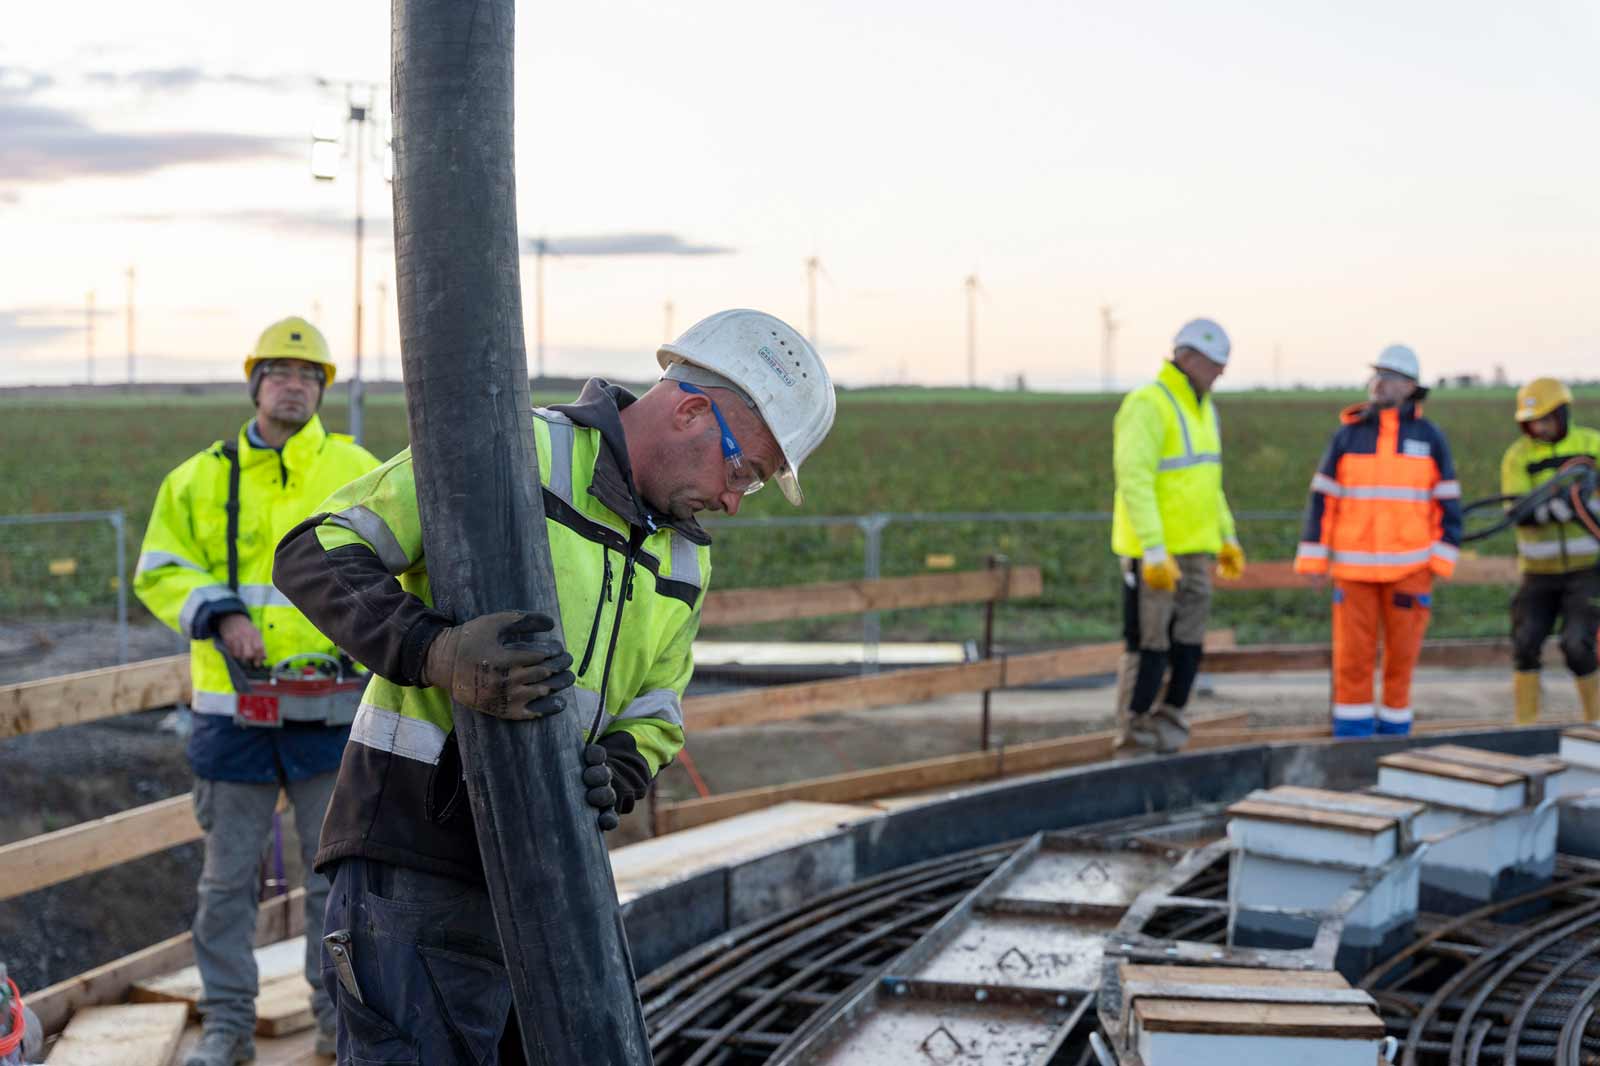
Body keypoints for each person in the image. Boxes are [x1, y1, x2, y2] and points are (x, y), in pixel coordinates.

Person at [272, 309, 836, 1065]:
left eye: (754, 487)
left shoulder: (684, 561)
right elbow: (317, 551)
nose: (735, 501)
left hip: (551, 869)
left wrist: (627, 760)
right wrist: (434, 652)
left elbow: (659, 704)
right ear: (693, 410)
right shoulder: (514, 453)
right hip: (414, 855)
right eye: (743, 472)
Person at [134, 317, 379, 1065]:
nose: (294, 385)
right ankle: (230, 1031)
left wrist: (364, 625)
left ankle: (339, 1031)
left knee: (336, 889)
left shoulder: (356, 467)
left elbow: (404, 563)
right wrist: (220, 613)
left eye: (308, 376)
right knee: (226, 887)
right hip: (233, 715)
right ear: (255, 382)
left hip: (332, 717)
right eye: (280, 372)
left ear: (322, 390)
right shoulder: (200, 477)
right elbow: (160, 568)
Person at [1292, 345, 1462, 737]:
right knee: (1352, 660)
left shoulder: (1430, 437)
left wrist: (1439, 561)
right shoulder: (1348, 436)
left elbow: (1449, 504)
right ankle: (1352, 743)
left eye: (1389, 375)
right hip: (1354, 574)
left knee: (1401, 663)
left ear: (1410, 386)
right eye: (1377, 374)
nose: (1379, 383)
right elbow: (1322, 500)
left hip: (1411, 572)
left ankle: (1394, 743)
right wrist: (1314, 561)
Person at [1110, 318, 1246, 754]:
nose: (1221, 373)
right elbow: (1135, 480)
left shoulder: (1203, 409)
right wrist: (1152, 549)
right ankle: (1134, 735)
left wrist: (1227, 536)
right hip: (1156, 555)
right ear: (1187, 359)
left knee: (1188, 645)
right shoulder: (1149, 403)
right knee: (1149, 645)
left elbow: (1209, 481)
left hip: (1194, 550)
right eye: (1214, 364)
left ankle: (1168, 731)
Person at [1502, 377, 1600, 724]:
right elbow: (1515, 508)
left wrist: (1583, 507)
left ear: (1562, 414)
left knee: (1577, 645)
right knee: (1525, 642)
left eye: (1544, 419)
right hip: (1538, 573)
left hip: (1586, 570)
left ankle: (1595, 724)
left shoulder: (1592, 445)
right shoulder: (1518, 457)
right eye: (1531, 422)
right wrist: (1546, 511)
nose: (1538, 428)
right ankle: (1524, 727)